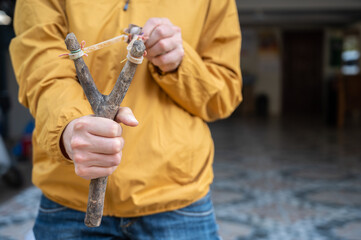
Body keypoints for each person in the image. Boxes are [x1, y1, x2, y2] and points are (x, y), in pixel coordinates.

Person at [10, 0, 242, 239]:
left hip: (176, 197)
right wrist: (68, 128)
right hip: (70, 196)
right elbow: (41, 65)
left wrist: (179, 64)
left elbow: (222, 96)